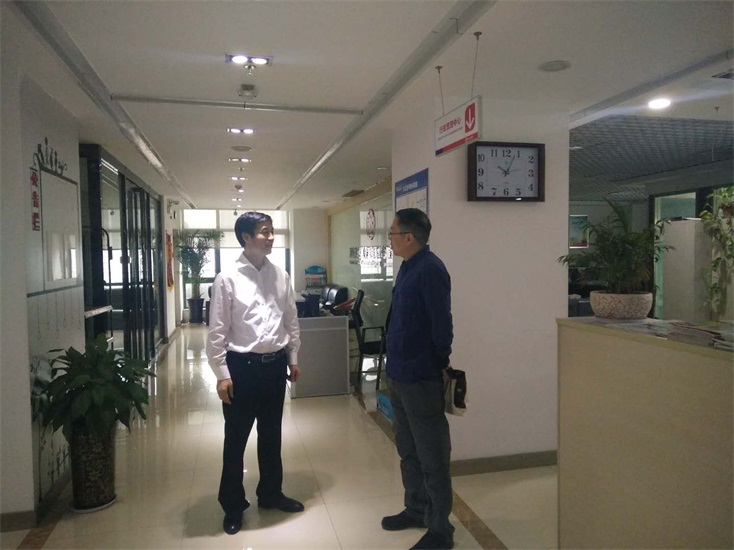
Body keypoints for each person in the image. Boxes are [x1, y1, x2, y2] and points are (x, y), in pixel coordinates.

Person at [206, 211, 303, 536]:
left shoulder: (280, 275)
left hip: (275, 366)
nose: (271, 237)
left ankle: (271, 493)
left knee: (272, 435)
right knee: (235, 440)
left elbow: (290, 319)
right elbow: (217, 330)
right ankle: (233, 505)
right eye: (264, 231)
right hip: (241, 369)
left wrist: (292, 357)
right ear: (246, 237)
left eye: (271, 230)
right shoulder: (227, 278)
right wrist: (222, 374)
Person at [381, 208, 454, 550]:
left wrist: (437, 362)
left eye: (393, 233)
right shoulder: (408, 267)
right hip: (399, 373)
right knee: (408, 450)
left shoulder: (430, 269)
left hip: (421, 377)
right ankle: (416, 508)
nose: (390, 239)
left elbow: (442, 324)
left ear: (408, 237)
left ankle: (440, 529)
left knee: (432, 455)